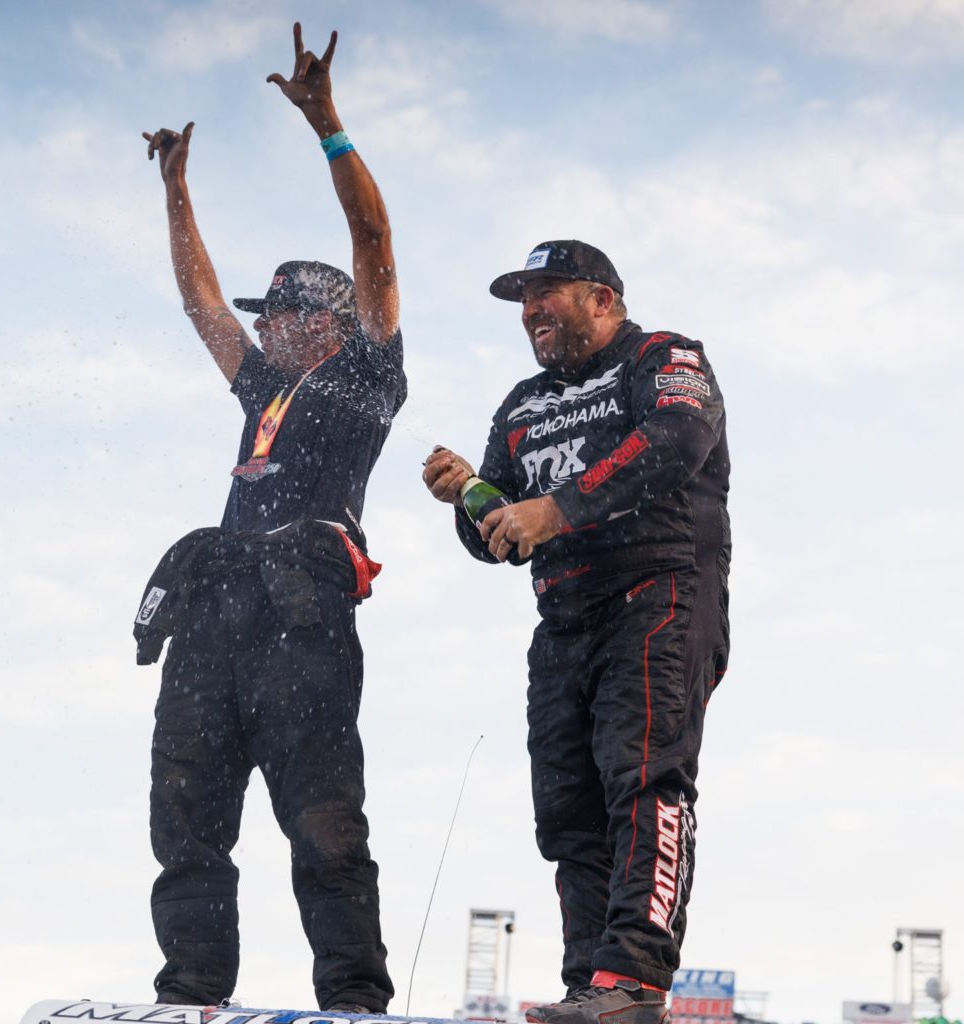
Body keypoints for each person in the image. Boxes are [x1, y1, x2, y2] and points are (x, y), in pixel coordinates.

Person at [138, 24, 404, 1010]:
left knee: (325, 823)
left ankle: (353, 995)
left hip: (304, 627)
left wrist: (328, 124)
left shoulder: (370, 380)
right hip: (215, 623)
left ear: (327, 323)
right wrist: (174, 190)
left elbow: (374, 243)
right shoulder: (262, 391)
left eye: (278, 311)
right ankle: (193, 988)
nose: (258, 325)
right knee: (186, 816)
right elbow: (202, 305)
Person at [423, 241, 730, 1024]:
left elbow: (677, 440)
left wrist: (554, 508)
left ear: (602, 299)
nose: (530, 310)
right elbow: (498, 536)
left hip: (660, 594)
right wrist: (470, 495)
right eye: (523, 299)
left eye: (546, 292)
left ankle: (633, 981)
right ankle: (589, 989)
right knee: (565, 813)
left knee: (643, 780)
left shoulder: (662, 356)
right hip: (561, 621)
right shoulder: (521, 404)